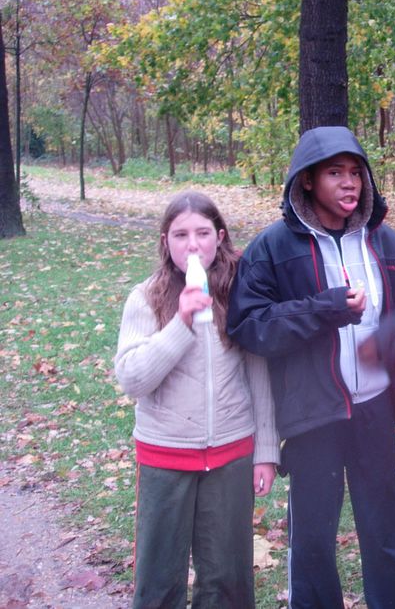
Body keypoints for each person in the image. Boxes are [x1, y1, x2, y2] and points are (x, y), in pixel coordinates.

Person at [227, 126, 395, 609]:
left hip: (374, 410)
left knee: (385, 527)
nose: (349, 184)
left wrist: (389, 338)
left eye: (356, 173)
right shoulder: (274, 247)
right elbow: (249, 324)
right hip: (312, 413)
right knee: (313, 538)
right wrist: (324, 309)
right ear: (306, 182)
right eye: (334, 173)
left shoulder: (383, 241)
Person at [114, 191, 279, 609]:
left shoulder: (240, 291)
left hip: (232, 451)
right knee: (159, 577)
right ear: (166, 242)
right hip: (165, 455)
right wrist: (181, 324)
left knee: (228, 578)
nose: (192, 245)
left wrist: (264, 451)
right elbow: (133, 379)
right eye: (180, 234)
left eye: (203, 233)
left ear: (219, 237)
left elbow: (258, 373)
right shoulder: (146, 297)